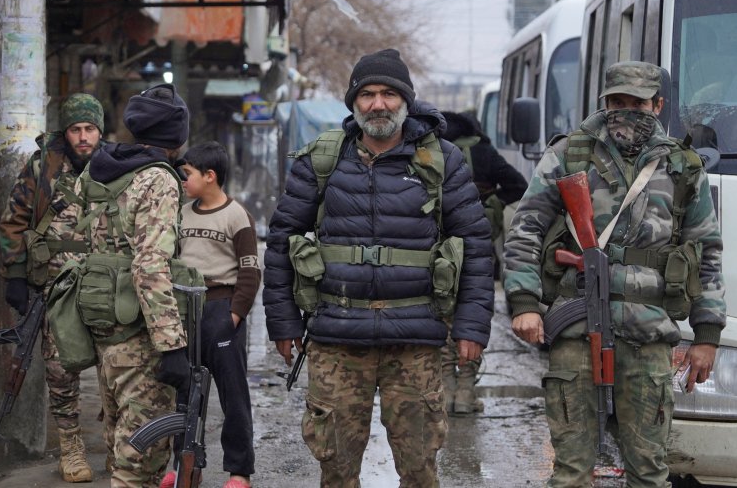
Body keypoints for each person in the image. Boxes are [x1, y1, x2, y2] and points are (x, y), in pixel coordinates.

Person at [262, 48, 495, 488]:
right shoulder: (322, 160)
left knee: (421, 469)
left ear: (406, 100)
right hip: (336, 337)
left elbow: (477, 246)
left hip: (415, 339)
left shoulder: (442, 161)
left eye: (389, 93)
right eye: (367, 94)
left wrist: (471, 327)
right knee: (335, 469)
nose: (378, 104)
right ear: (353, 103)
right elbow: (280, 241)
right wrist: (283, 323)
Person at [504, 61, 724, 488]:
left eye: (637, 103)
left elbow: (708, 252)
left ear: (658, 105)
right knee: (571, 474)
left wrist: (707, 335)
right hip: (575, 330)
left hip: (648, 340)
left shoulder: (683, 167)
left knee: (648, 473)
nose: (626, 112)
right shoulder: (569, 154)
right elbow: (525, 227)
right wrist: (524, 303)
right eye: (616, 102)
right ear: (604, 104)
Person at [42, 83, 192, 488]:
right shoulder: (157, 180)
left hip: (105, 328)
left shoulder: (102, 168)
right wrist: (172, 344)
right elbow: (150, 265)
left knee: (118, 448)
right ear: (176, 135)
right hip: (141, 334)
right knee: (139, 464)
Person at [0, 92, 106, 483]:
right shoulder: (44, 167)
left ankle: (115, 440)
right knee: (61, 371)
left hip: (106, 287)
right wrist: (14, 275)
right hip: (55, 289)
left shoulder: (115, 166)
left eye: (89, 129)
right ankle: (71, 446)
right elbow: (14, 221)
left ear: (99, 131)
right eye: (76, 129)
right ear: (66, 131)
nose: (83, 137)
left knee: (113, 368)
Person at [174, 141, 259, 488]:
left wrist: (233, 317)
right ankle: (184, 466)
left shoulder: (236, 215)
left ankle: (239, 471)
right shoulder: (182, 212)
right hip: (186, 309)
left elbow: (251, 273)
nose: (183, 180)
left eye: (188, 174)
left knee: (233, 396)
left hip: (222, 309)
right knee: (184, 394)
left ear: (210, 176)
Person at [438, 111, 528, 415]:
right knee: (473, 315)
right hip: (478, 246)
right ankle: (465, 392)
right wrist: (492, 200)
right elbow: (519, 185)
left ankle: (446, 388)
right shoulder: (485, 151)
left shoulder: (433, 149)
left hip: (439, 250)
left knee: (443, 318)